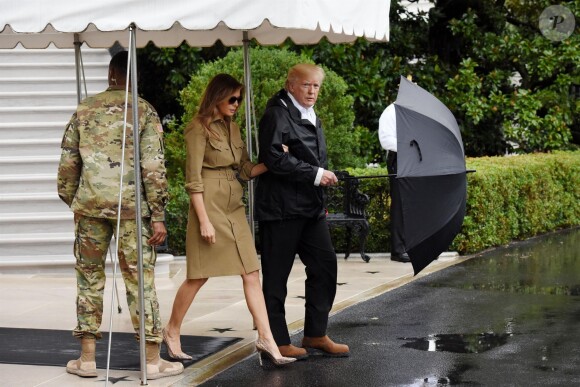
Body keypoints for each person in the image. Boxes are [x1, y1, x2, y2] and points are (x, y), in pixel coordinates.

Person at [57, 51, 184, 379]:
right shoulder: (143, 110)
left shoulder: (84, 109)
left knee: (89, 278)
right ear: (134, 77)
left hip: (90, 207)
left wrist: (74, 200)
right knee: (140, 281)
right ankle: (153, 362)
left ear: (111, 74)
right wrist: (157, 213)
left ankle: (87, 360)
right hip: (132, 210)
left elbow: (68, 164)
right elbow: (153, 167)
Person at [162, 74, 295, 367]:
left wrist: (275, 158)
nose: (236, 104)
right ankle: (171, 330)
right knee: (198, 275)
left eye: (239, 99)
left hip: (234, 205)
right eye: (232, 99)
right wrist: (204, 221)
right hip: (208, 204)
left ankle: (266, 338)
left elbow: (245, 170)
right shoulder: (198, 129)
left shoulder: (234, 129)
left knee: (251, 272)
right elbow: (193, 181)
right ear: (217, 97)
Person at [255, 63, 350, 359]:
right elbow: (272, 157)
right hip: (281, 209)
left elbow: (303, 155)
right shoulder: (277, 113)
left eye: (316, 86)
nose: (312, 91)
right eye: (306, 85)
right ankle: (278, 340)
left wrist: (321, 174)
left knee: (325, 266)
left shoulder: (311, 114)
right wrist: (314, 174)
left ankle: (315, 333)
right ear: (291, 84)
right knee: (276, 277)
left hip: (310, 208)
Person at [378, 103, 411, 263]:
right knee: (400, 204)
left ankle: (412, 247)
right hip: (400, 158)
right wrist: (409, 145)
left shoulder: (415, 111)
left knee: (414, 203)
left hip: (416, 160)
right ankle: (398, 250)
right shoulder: (391, 111)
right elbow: (386, 140)